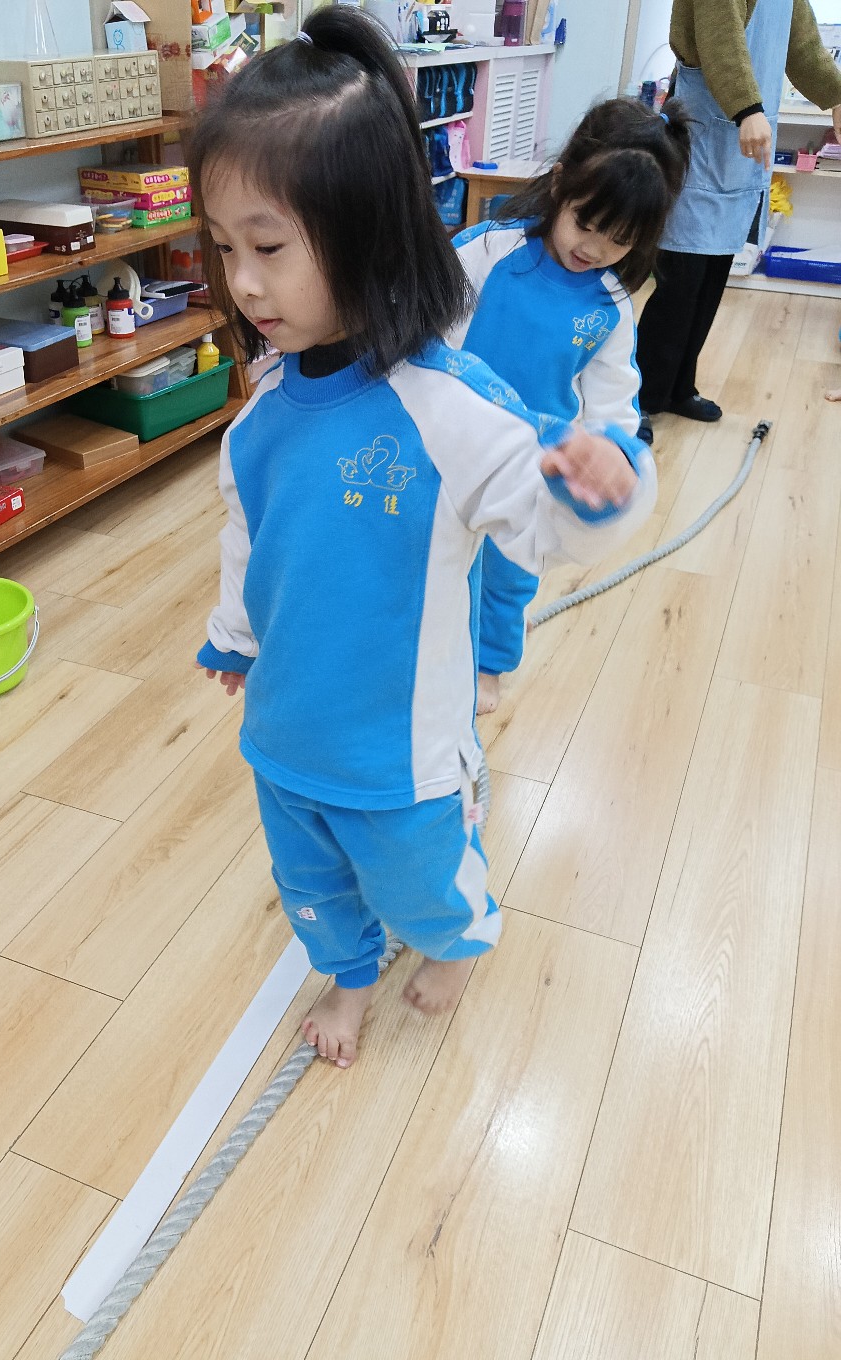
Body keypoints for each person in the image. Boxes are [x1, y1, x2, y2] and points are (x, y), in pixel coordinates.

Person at [192, 6, 657, 1068]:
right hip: (286, 735)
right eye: (223, 247)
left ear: (369, 233)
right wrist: (234, 635)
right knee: (309, 883)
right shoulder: (259, 415)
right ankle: (347, 975)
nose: (242, 281)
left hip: (405, 755)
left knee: (423, 884)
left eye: (268, 246)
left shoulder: (450, 406)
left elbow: (542, 522)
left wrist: (599, 488)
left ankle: (461, 938)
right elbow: (247, 536)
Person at [450, 98, 690, 713]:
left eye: (619, 240)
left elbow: (615, 401)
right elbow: (429, 334)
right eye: (586, 223)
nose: (595, 248)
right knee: (436, 548)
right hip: (453, 440)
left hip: (536, 459)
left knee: (510, 569)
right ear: (561, 184)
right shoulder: (490, 252)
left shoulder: (610, 306)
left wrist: (611, 452)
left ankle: (489, 661)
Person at [636, 0, 841, 429]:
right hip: (705, 127)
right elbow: (719, 38)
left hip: (740, 141)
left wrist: (837, 95)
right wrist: (747, 108)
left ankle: (679, 388)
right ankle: (640, 398)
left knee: (713, 275)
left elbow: (803, 45)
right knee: (680, 282)